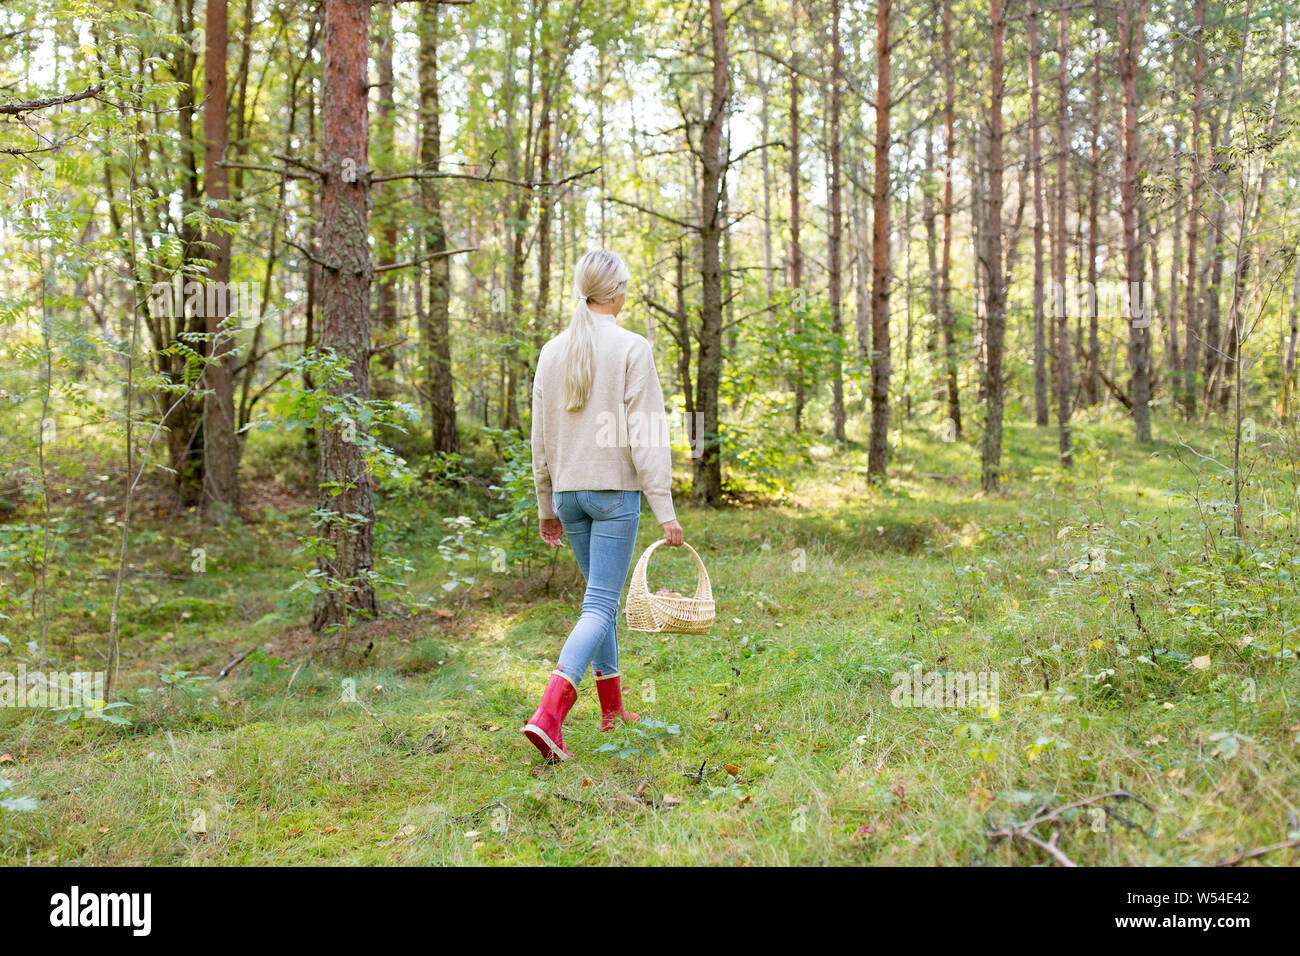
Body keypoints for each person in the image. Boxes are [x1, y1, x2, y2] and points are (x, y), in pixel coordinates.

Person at [522, 249, 684, 762]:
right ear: (614, 292)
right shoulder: (633, 347)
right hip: (614, 497)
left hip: (570, 496)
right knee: (599, 605)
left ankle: (612, 712)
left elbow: (540, 438)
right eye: (627, 284)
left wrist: (545, 502)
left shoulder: (551, 351)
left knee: (601, 601)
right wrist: (665, 508)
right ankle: (549, 716)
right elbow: (648, 435)